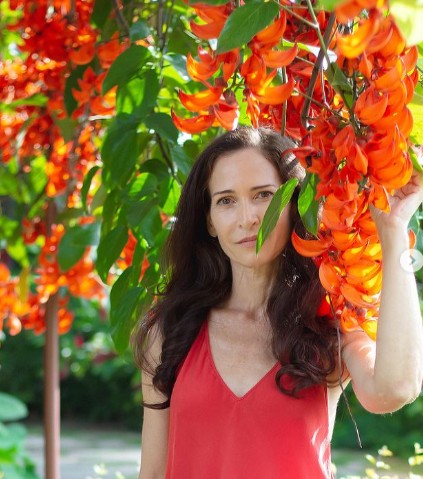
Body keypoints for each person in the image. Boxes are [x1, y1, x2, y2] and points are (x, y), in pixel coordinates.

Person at [132, 127, 423, 479]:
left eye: (264, 195)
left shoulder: (328, 324)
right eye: (226, 200)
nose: (247, 218)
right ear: (209, 220)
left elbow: (395, 389)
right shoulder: (172, 330)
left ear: (293, 203)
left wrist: (393, 233)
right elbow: (152, 472)